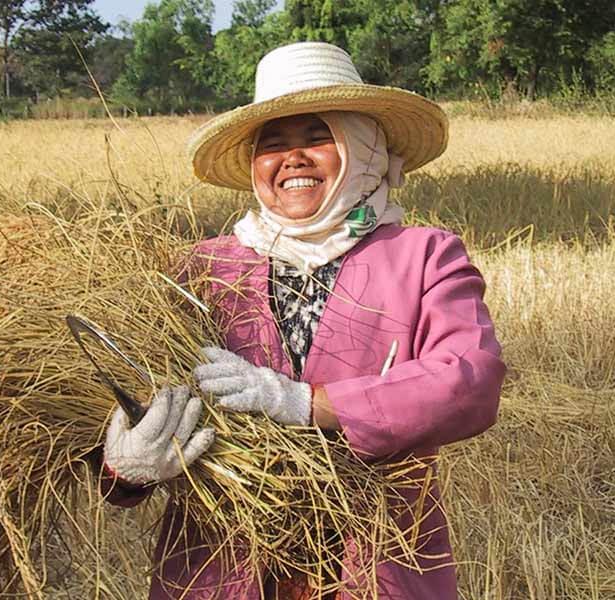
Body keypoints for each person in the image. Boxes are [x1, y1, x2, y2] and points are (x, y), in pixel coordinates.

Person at [101, 42, 506, 600]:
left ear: (362, 148)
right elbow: (126, 401)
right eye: (273, 146)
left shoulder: (425, 257)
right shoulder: (200, 269)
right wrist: (126, 466)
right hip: (219, 567)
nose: (292, 158)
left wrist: (307, 403)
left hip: (377, 559)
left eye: (317, 137)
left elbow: (470, 378)